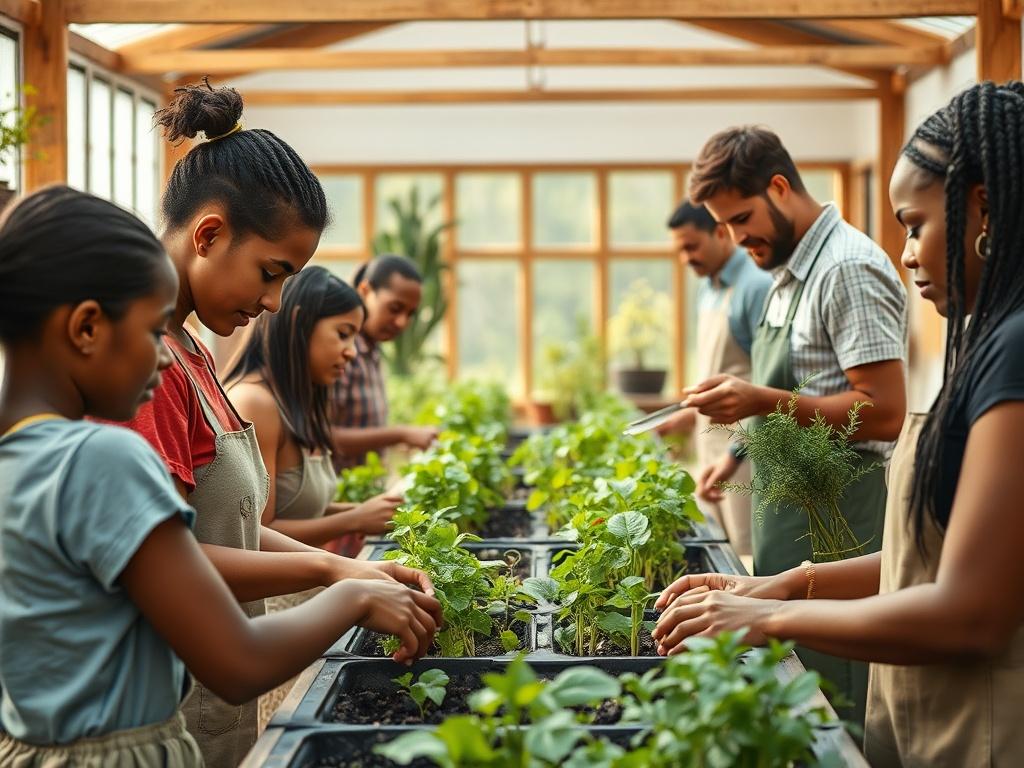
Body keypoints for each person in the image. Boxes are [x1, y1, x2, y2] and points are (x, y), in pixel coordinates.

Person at [0, 186, 440, 767]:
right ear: (86, 328)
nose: (164, 355)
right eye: (152, 331)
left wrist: (342, 569)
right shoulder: (103, 457)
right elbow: (236, 663)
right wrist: (354, 595)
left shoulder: (20, 457)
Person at [654, 81, 1024, 767]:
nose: (908, 251)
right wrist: (780, 586)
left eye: (915, 224)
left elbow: (971, 607)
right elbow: (932, 563)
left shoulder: (1003, 346)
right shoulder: (988, 339)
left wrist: (768, 613)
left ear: (981, 208)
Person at [115, 80, 439, 766]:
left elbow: (219, 523)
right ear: (208, 234)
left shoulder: (193, 353)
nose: (271, 302)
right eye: (270, 273)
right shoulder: (144, 370)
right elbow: (162, 561)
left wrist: (332, 569)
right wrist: (340, 583)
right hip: (161, 710)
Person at [677, 125, 908, 725]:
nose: (735, 237)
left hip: (840, 526)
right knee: (794, 701)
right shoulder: (785, 273)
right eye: (723, 225)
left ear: (780, 187)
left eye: (742, 217)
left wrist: (758, 399)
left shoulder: (846, 269)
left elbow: (883, 409)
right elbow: (794, 395)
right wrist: (734, 455)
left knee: (837, 710)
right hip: (790, 528)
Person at [224, 267, 406, 728]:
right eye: (343, 334)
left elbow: (293, 505)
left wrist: (365, 513)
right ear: (301, 322)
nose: (351, 351)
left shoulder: (295, 403)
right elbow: (256, 531)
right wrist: (352, 521)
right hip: (277, 610)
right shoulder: (256, 404)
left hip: (309, 604)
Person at [659, 201, 772, 556]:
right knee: (717, 551)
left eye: (692, 246)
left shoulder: (755, 286)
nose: (685, 258)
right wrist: (690, 414)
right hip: (709, 447)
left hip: (747, 450)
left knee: (746, 557)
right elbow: (721, 370)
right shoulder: (708, 287)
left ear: (721, 233)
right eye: (679, 249)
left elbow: (768, 378)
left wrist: (735, 453)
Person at [331, 255, 438, 473]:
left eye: (410, 314)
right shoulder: (344, 353)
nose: (402, 322)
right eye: (395, 308)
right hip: (337, 498)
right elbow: (324, 437)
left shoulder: (372, 351)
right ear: (365, 291)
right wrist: (400, 434)